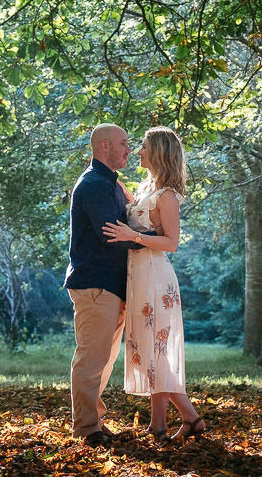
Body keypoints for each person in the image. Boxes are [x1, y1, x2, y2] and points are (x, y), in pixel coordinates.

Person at [102, 126, 206, 444]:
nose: (138, 151)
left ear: (159, 151)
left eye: (144, 146)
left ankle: (172, 423)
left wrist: (132, 236)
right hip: (138, 276)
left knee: (156, 351)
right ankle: (174, 423)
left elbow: (171, 242)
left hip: (156, 279)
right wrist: (109, 177)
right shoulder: (148, 189)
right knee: (150, 352)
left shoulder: (168, 195)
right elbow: (135, 210)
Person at [63, 122, 137, 447]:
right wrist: (154, 241)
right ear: (104, 146)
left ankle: (94, 422)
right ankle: (86, 429)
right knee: (91, 358)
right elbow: (112, 236)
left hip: (112, 284)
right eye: (123, 143)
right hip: (95, 283)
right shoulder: (92, 184)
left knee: (104, 360)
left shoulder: (112, 184)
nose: (129, 149)